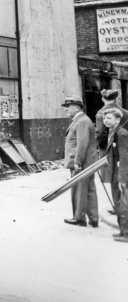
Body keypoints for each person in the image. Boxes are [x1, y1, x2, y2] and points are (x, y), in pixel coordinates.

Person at [61, 95, 99, 227]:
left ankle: (79, 218)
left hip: (82, 163)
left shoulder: (81, 121)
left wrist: (77, 162)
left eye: (68, 106)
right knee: (88, 189)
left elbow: (82, 143)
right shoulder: (81, 120)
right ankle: (93, 218)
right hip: (87, 162)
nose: (66, 110)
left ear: (77, 107)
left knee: (79, 190)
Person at [95, 89, 128, 214]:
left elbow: (99, 133)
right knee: (122, 177)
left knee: (114, 178)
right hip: (124, 147)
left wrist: (100, 148)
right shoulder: (125, 112)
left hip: (110, 150)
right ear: (116, 99)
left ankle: (119, 207)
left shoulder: (102, 113)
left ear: (103, 99)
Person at [101, 107, 128, 242]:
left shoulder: (121, 134)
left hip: (121, 176)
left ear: (118, 120)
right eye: (104, 118)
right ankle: (123, 231)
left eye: (109, 118)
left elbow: (124, 157)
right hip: (114, 174)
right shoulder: (112, 132)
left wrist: (123, 178)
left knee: (124, 205)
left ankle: (126, 233)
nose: (106, 120)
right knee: (117, 204)